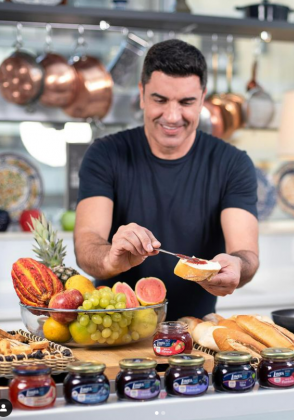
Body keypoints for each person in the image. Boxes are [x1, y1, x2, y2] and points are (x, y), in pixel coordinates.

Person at [74, 39, 259, 320]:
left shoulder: (233, 164)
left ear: (202, 98)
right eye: (160, 100)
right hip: (113, 331)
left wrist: (237, 266)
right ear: (142, 93)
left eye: (186, 102)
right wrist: (110, 256)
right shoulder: (105, 154)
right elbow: (86, 243)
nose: (172, 117)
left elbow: (246, 255)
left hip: (195, 332)